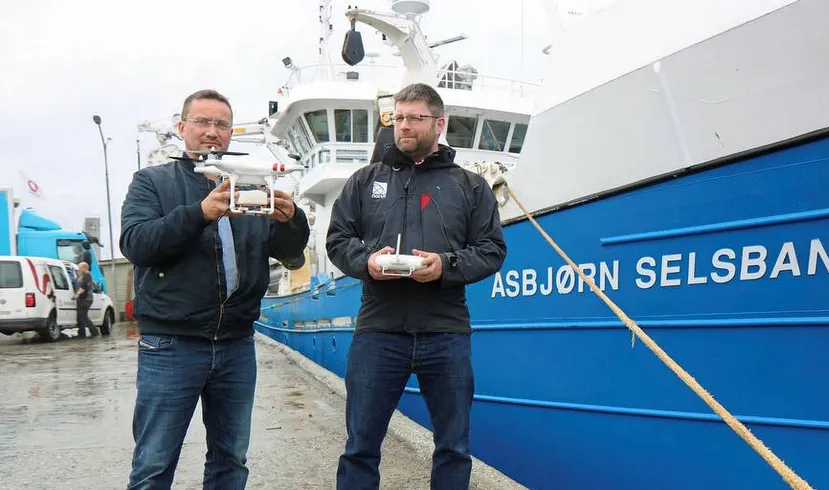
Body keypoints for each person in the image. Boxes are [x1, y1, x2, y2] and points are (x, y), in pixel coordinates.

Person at [119, 89, 310, 490]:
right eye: (202, 123)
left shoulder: (251, 183)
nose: (212, 132)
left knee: (231, 460)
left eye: (221, 124)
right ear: (182, 127)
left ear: (230, 131)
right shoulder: (151, 182)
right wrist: (200, 213)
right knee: (154, 462)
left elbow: (288, 253)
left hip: (236, 344)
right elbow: (136, 243)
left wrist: (292, 220)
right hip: (171, 344)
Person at [326, 82, 507, 489]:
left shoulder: (471, 187)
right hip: (378, 330)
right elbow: (338, 240)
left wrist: (444, 266)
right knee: (360, 446)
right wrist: (368, 261)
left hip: (445, 331)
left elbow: (492, 249)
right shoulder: (363, 181)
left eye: (414, 118)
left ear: (439, 124)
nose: (403, 126)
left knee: (454, 447)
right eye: (398, 118)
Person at [74, 262, 97, 338]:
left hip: (85, 299)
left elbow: (83, 287)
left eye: (79, 268)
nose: (78, 269)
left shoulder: (87, 275)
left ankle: (94, 331)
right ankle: (82, 333)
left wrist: (77, 295)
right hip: (82, 299)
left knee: (83, 316)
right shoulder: (82, 276)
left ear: (84, 268)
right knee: (80, 316)